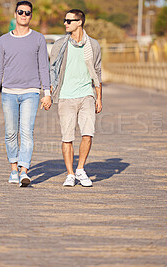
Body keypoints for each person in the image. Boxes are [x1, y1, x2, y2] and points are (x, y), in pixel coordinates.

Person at [0, 1, 51, 187]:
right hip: (8, 93)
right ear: (15, 14)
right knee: (10, 133)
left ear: (31, 16)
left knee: (27, 132)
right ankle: (13, 170)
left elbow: (44, 67)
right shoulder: (3, 40)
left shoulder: (39, 38)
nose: (24, 15)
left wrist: (46, 93)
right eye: (21, 12)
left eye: (28, 12)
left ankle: (24, 171)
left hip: (31, 92)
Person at [50, 9, 102, 187]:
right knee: (67, 137)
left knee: (88, 133)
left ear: (79, 22)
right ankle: (70, 174)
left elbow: (97, 71)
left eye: (69, 21)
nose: (65, 23)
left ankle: (80, 168)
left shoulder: (93, 45)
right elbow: (53, 71)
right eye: (65, 20)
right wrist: (48, 94)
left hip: (87, 94)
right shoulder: (60, 45)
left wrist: (99, 97)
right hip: (65, 96)